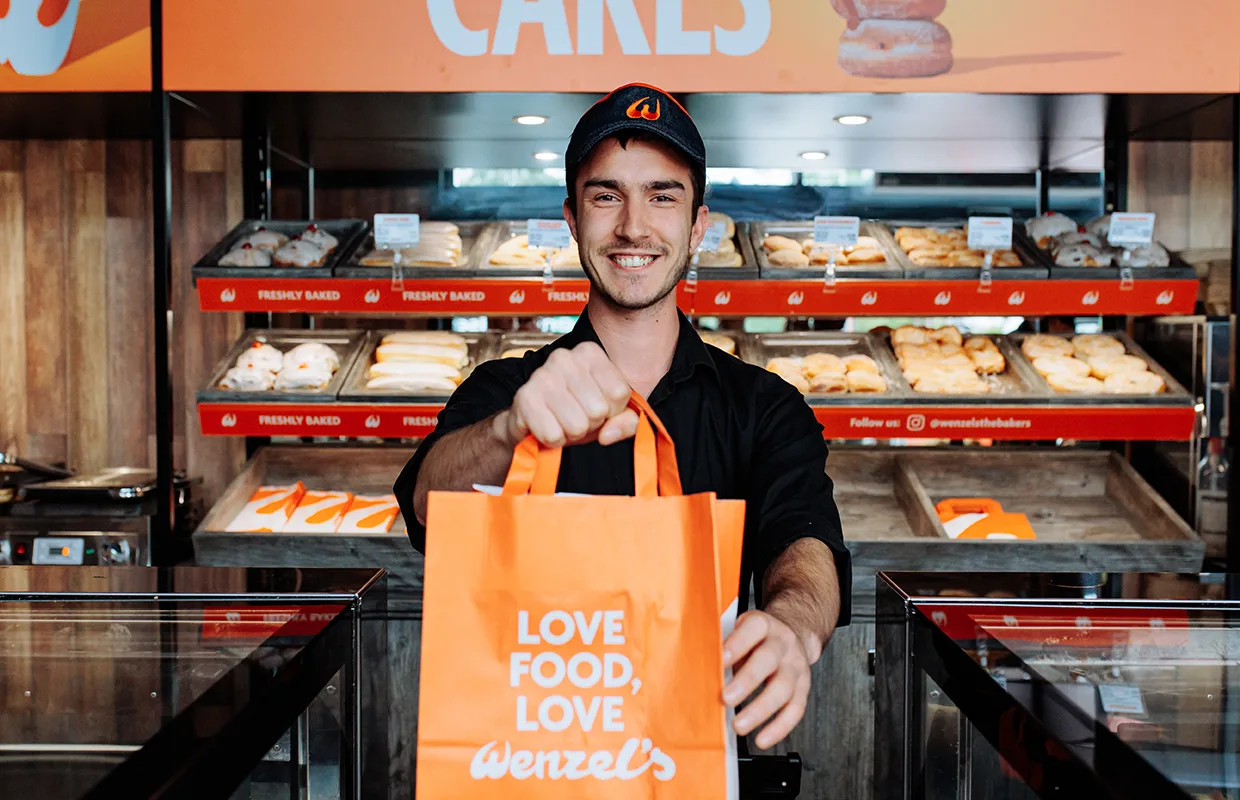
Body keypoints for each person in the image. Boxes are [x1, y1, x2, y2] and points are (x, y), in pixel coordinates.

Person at [395, 83, 851, 751]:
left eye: (662, 196)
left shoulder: (763, 406)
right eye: (606, 195)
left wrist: (791, 625)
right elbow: (426, 503)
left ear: (698, 225)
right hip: (529, 761)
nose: (634, 226)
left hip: (692, 755)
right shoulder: (507, 388)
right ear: (572, 220)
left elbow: (805, 545)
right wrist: (509, 428)